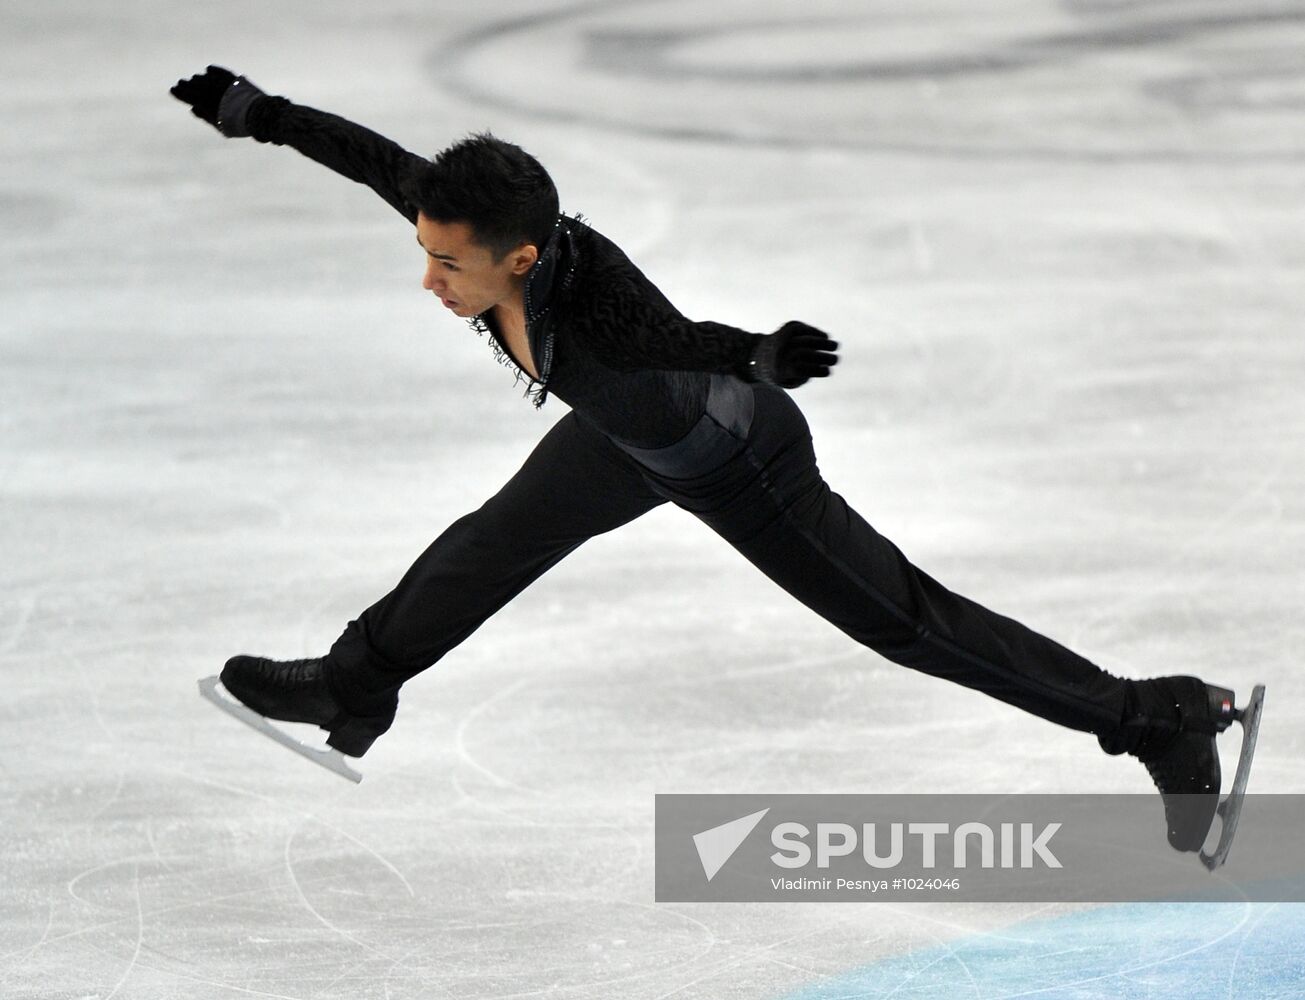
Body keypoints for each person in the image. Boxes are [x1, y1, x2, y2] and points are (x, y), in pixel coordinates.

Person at [170, 65, 1239, 854]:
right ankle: (354, 689)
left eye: (449, 264)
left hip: (733, 455)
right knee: (492, 541)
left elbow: (674, 343)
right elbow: (371, 159)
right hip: (633, 440)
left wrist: (763, 354)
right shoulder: (472, 220)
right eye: (426, 251)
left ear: (523, 260)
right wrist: (255, 116)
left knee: (904, 621)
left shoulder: (598, 317)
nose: (430, 279)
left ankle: (1158, 715)